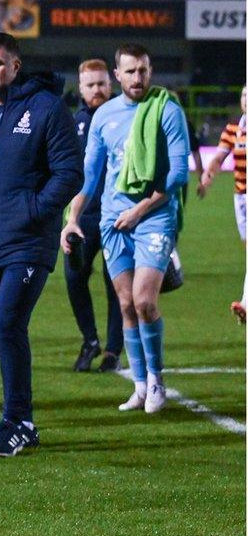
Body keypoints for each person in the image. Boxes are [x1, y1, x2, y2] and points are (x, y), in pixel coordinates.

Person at [0, 32, 82, 457]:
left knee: (7, 323)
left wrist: (31, 211)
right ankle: (20, 421)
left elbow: (68, 172)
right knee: (7, 325)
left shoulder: (45, 108)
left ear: (15, 66)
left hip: (27, 241)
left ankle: (17, 420)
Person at [61, 43, 190, 415]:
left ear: (151, 72)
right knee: (125, 303)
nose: (138, 78)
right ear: (118, 75)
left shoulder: (166, 109)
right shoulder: (105, 116)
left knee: (145, 300)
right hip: (113, 218)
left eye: (143, 70)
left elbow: (178, 172)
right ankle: (138, 385)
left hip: (154, 213)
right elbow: (90, 174)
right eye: (130, 71)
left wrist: (141, 209)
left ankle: (157, 381)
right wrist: (72, 218)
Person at [63, 59, 123, 372]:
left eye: (101, 83)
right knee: (74, 278)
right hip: (82, 217)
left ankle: (113, 350)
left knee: (116, 284)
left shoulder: (124, 117)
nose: (97, 90)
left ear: (110, 84)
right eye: (90, 85)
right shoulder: (73, 123)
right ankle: (90, 339)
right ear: (81, 87)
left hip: (117, 214)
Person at [198, 85, 247, 323]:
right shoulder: (232, 130)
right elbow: (219, 156)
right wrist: (209, 174)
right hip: (241, 199)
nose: (246, 100)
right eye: (244, 95)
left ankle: (246, 303)